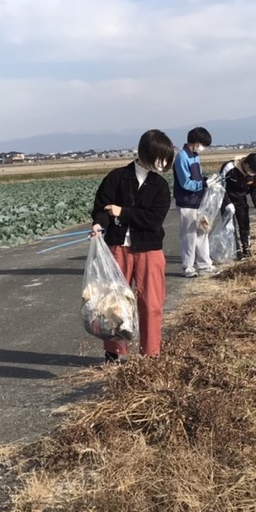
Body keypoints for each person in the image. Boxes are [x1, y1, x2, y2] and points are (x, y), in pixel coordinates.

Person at [90, 129, 176, 362]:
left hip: (149, 249)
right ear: (146, 153)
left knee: (152, 302)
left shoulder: (159, 186)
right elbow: (102, 208)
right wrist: (99, 224)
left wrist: (123, 212)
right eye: (160, 157)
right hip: (117, 248)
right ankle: (114, 353)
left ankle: (151, 354)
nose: (163, 163)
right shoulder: (117, 177)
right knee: (114, 303)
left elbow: (153, 220)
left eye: (166, 159)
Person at [173, 126, 217, 278]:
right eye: (203, 145)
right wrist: (203, 184)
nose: (203, 148)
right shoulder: (182, 157)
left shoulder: (195, 156)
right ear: (196, 142)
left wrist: (206, 180)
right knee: (188, 235)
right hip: (186, 202)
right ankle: (188, 266)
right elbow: (186, 183)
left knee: (202, 232)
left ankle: (205, 264)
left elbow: (198, 177)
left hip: (198, 201)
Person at [219, 153, 256, 260]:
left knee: (244, 224)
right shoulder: (229, 168)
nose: (253, 174)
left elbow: (255, 190)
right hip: (226, 200)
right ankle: (235, 251)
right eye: (252, 171)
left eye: (255, 173)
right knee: (230, 227)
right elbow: (221, 187)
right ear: (246, 165)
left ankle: (246, 248)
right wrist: (227, 203)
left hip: (241, 200)